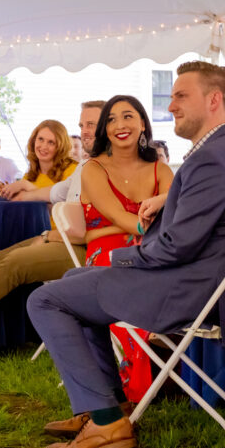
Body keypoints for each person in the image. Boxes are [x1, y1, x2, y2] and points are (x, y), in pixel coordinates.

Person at [27, 61, 225, 448]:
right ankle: (108, 404)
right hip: (204, 282)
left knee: (44, 299)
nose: (171, 104)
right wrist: (168, 201)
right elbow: (200, 223)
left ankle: (107, 421)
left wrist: (121, 258)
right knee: (76, 277)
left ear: (213, 100)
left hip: (185, 289)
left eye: (181, 95)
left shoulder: (213, 158)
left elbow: (178, 246)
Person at [0, 102, 103, 342]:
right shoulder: (85, 166)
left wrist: (47, 234)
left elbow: (81, 221)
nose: (84, 131)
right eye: (82, 125)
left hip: (83, 247)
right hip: (58, 237)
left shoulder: (93, 169)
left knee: (12, 264)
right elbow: (53, 193)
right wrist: (19, 190)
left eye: (91, 125)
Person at [80, 96, 174, 402]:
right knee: (125, 281)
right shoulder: (93, 169)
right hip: (106, 254)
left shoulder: (161, 169)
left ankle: (152, 375)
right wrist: (155, 214)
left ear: (143, 123)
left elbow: (179, 214)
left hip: (151, 250)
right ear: (105, 130)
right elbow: (125, 219)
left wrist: (163, 202)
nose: (120, 125)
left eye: (128, 116)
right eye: (111, 119)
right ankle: (141, 380)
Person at [0, 122, 76, 200]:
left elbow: (62, 205)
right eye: (40, 139)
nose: (44, 146)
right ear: (34, 141)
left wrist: (26, 186)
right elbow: (19, 203)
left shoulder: (73, 170)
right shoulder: (29, 176)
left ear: (61, 147)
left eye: (51, 142)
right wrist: (6, 192)